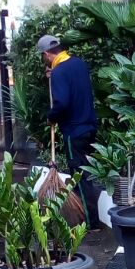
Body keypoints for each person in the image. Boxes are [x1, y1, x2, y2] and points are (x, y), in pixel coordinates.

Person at [36, 34, 100, 227]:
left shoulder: (59, 72)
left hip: (74, 131)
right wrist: (54, 74)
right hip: (89, 126)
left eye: (43, 56)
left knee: (80, 177)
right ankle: (88, 218)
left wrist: (52, 116)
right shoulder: (78, 64)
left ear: (47, 54)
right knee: (86, 173)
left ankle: (90, 223)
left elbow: (62, 103)